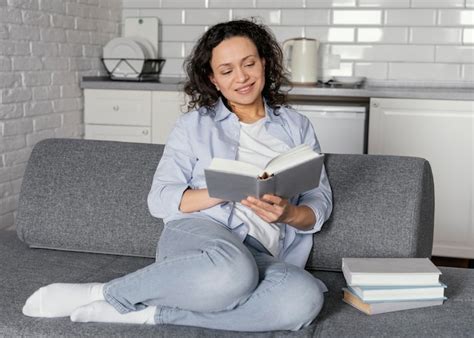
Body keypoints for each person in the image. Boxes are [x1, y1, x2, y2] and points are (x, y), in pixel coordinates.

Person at [21, 19, 333, 332]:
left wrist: (290, 213)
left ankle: (149, 313)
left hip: (263, 253)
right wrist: (224, 189)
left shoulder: (297, 126)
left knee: (303, 299)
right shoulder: (193, 126)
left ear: (264, 62)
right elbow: (159, 199)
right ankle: (106, 293)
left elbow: (319, 199)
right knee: (233, 272)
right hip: (202, 233)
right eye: (227, 71)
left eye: (249, 64)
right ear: (213, 80)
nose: (242, 78)